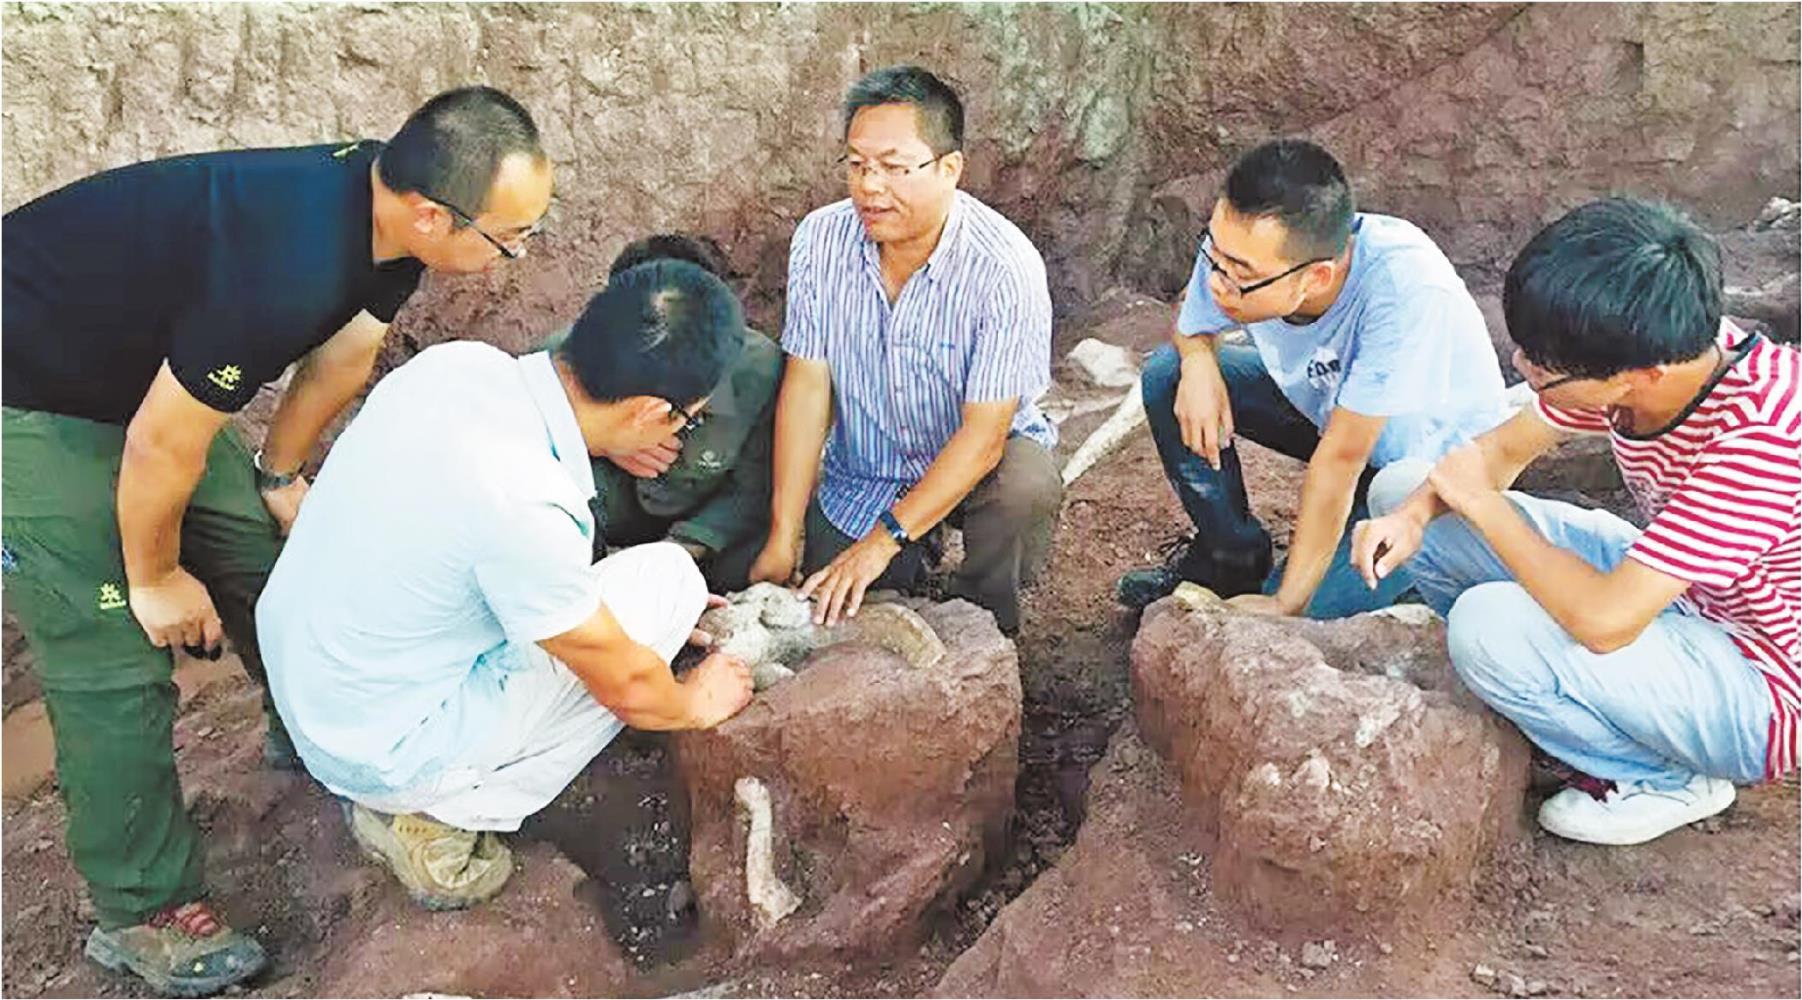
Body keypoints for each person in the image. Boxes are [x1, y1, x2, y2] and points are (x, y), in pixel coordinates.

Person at [0, 85, 550, 994]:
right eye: (506, 238)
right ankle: (142, 909)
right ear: (429, 213)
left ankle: (321, 733)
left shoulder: (391, 218)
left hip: (133, 382)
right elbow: (162, 443)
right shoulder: (284, 259)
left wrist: (280, 476)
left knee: (280, 567)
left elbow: (342, 356)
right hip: (26, 391)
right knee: (115, 658)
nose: (515, 256)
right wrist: (158, 574)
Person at [257, 260, 755, 913]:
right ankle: (434, 818)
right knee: (666, 580)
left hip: (310, 684)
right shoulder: (525, 501)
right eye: (682, 421)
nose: (678, 435)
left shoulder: (455, 368)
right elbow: (634, 690)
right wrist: (693, 703)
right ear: (648, 411)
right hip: (381, 749)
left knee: (642, 600)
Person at [1353, 197, 1799, 846]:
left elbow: (1604, 622)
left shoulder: (1760, 439)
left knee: (1488, 623)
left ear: (1639, 378)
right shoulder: (1662, 353)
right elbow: (1498, 453)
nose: (1523, 369)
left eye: (1545, 369)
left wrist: (1480, 503)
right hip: (1678, 593)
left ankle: (1664, 776)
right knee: (1401, 490)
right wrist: (1421, 509)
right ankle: (1551, 701)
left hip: (1758, 681)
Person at [1116, 139, 1510, 618]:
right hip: (1338, 415)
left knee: (1296, 620)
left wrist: (1286, 602)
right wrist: (1198, 361)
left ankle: (1420, 582)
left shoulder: (1403, 286)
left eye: (1238, 273)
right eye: (1214, 253)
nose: (1217, 279)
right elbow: (1193, 323)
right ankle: (1231, 559)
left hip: (1426, 475)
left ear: (1317, 278)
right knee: (1170, 374)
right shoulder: (1241, 247)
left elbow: (1340, 460)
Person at [749, 65, 1062, 634]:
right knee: (838, 608)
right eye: (857, 164)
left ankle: (987, 619)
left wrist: (883, 541)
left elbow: (984, 435)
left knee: (1025, 486)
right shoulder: (820, 241)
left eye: (894, 168)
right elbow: (807, 388)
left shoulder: (1004, 267)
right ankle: (909, 566)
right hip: (867, 470)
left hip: (976, 461)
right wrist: (781, 535)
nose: (870, 186)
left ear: (950, 169)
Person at [542, 234, 782, 592]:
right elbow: (530, 461)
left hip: (704, 528)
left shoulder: (759, 369)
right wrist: (603, 442)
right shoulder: (561, 360)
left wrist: (677, 554)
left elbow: (756, 485)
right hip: (605, 512)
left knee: (752, 558)